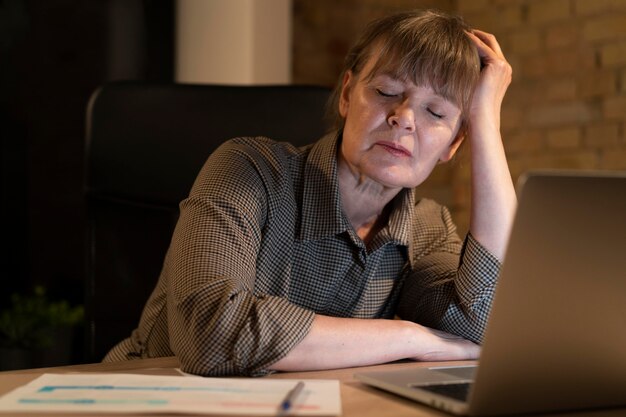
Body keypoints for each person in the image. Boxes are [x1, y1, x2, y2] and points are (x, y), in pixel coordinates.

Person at [103, 9, 516, 377]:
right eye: (387, 91)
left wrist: (486, 125)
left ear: (453, 145)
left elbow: (484, 324)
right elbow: (209, 334)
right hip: (140, 396)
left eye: (436, 112)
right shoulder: (246, 169)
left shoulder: (427, 228)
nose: (404, 117)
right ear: (348, 93)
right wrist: (411, 337)